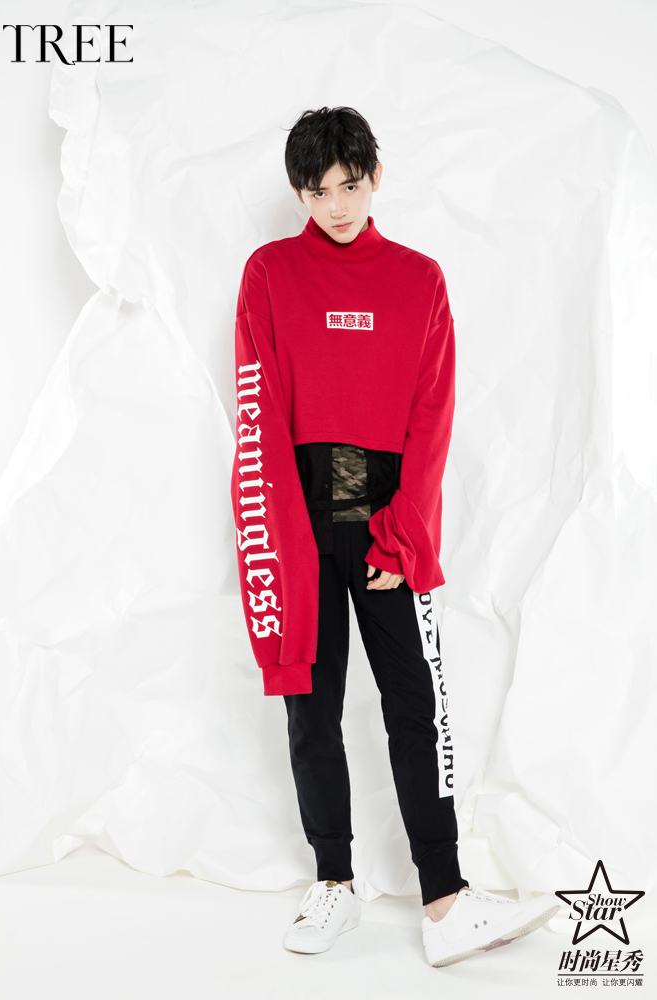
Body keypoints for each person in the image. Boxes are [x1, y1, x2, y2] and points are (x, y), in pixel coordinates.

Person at [230, 106, 558, 967]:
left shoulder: (418, 280)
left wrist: (401, 535)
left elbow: (431, 416)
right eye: (316, 191)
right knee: (312, 707)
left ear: (375, 177)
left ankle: (444, 901)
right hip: (299, 521)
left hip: (384, 527)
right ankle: (332, 884)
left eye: (349, 185)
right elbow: (259, 411)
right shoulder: (269, 272)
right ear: (298, 193)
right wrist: (279, 535)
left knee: (413, 705)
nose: (335, 206)